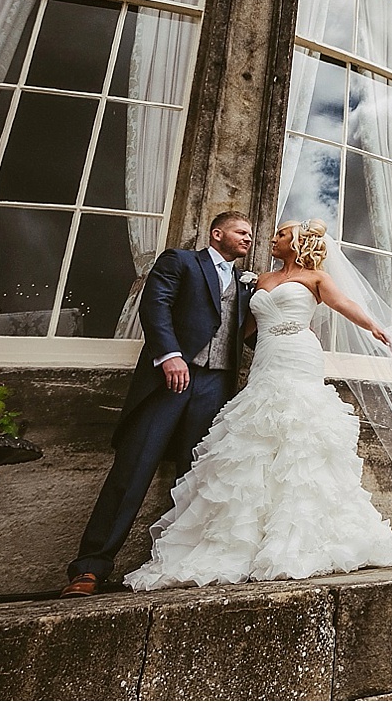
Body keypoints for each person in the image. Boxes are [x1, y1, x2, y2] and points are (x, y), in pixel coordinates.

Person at [123, 218, 392, 591]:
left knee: (299, 428)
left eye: (281, 234)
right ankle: (245, 534)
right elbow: (242, 327)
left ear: (299, 241)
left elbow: (345, 304)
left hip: (298, 353)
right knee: (256, 431)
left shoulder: (316, 278)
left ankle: (298, 532)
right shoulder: (259, 281)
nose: (272, 239)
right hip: (266, 358)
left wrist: (376, 327)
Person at [60, 210, 255, 596]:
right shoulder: (180, 260)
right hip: (172, 380)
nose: (249, 238)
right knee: (134, 467)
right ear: (217, 234)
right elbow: (156, 305)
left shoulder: (245, 283)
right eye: (241, 231)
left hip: (216, 385)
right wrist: (169, 355)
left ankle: (178, 563)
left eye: (250, 234)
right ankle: (90, 568)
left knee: (197, 477)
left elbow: (244, 333)